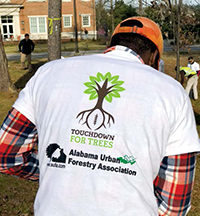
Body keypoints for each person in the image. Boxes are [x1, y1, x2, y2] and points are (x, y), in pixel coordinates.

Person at [0, 17, 200, 216]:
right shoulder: (172, 92)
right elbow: (174, 205)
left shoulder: (49, 73)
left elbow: (7, 155)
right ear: (154, 55)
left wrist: (57, 171)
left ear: (111, 44)